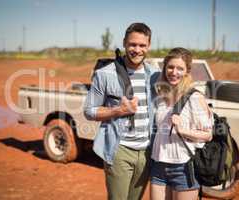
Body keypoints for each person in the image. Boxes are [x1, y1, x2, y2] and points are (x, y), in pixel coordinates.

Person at [84, 22, 159, 200]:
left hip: (147, 152)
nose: (137, 49)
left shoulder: (155, 74)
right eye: (133, 44)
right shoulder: (105, 74)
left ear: (148, 46)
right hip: (120, 150)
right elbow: (89, 111)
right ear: (124, 43)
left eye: (142, 45)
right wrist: (118, 110)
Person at [150, 48, 213, 200]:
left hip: (183, 167)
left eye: (180, 68)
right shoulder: (161, 95)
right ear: (164, 68)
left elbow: (208, 135)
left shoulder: (194, 97)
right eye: (170, 67)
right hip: (158, 165)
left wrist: (183, 130)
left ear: (187, 71)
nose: (174, 72)